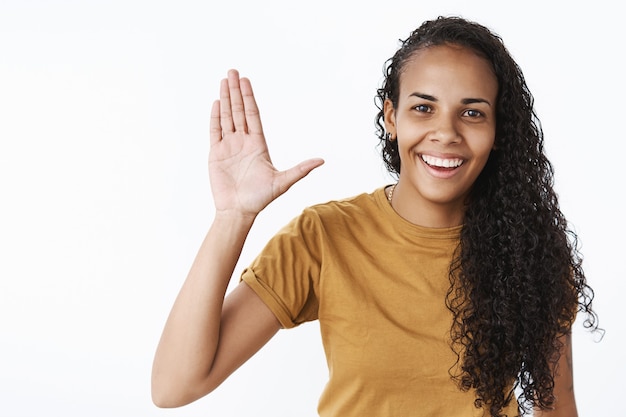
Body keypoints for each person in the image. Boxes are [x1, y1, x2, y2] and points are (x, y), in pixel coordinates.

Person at [151, 16, 599, 417]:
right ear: (391, 116)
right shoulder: (324, 237)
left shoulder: (529, 251)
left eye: (472, 113)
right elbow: (175, 387)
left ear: (498, 130)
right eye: (423, 107)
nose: (446, 132)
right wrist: (232, 217)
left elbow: (556, 408)